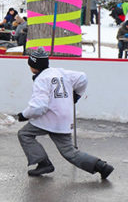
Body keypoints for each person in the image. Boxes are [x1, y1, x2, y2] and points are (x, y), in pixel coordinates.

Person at [16, 49, 114, 179]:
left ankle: (43, 163)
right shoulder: (60, 72)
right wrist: (77, 95)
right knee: (69, 152)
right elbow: (82, 77)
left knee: (24, 134)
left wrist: (24, 115)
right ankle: (101, 166)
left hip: (49, 118)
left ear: (33, 66)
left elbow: (39, 106)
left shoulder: (42, 79)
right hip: (64, 118)